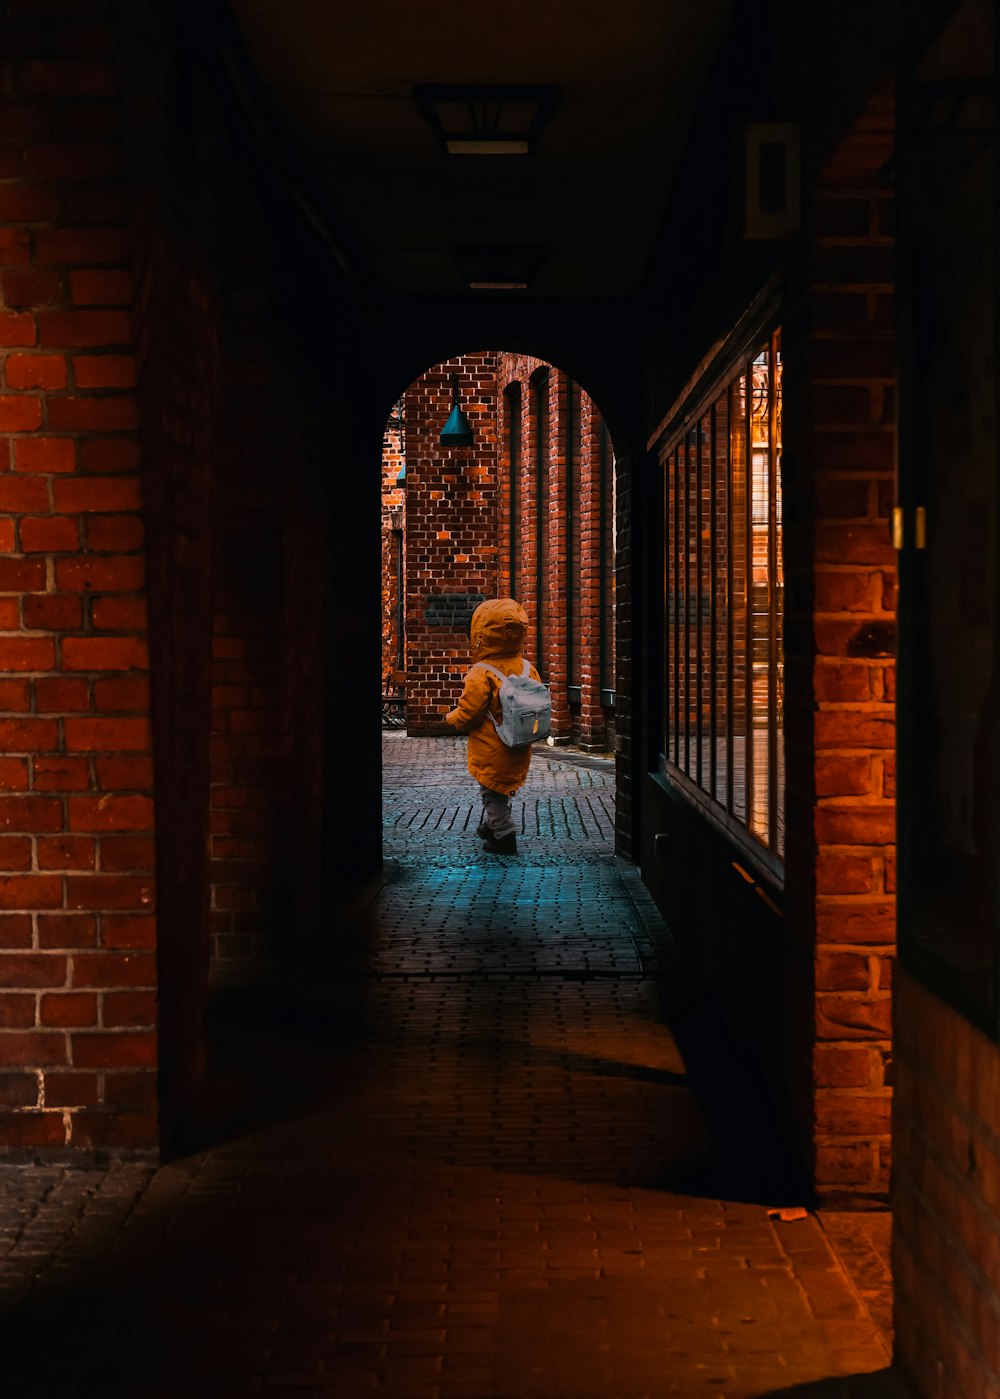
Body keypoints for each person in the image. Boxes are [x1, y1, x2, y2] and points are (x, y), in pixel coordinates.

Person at [444, 597, 541, 855]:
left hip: (492, 745)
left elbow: (471, 709)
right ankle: (491, 825)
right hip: (519, 744)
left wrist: (452, 718)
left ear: (480, 634)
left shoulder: (482, 671)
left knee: (491, 792)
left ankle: (504, 835)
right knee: (501, 790)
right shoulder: (527, 668)